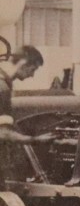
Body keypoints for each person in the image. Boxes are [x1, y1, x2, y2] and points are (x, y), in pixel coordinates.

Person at [0, 45, 55, 186]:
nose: (32, 75)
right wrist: (36, 140)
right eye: (33, 69)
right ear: (23, 63)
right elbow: (3, 133)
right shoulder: (2, 88)